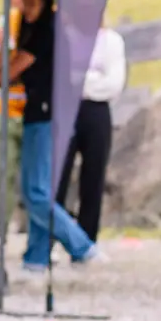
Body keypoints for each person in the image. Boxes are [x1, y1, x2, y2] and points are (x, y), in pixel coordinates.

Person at [0, 0, 102, 270]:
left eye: (32, 4)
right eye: (23, 3)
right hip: (36, 113)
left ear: (44, 4)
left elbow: (14, 70)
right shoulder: (35, 31)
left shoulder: (46, 32)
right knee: (36, 190)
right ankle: (37, 256)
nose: (26, 10)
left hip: (47, 116)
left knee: (36, 192)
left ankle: (81, 245)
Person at [56, 21, 126, 243]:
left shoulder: (111, 41)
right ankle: (49, 240)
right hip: (66, 108)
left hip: (96, 109)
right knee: (58, 176)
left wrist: (81, 83)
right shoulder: (65, 37)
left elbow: (113, 83)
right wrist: (91, 79)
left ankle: (87, 240)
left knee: (94, 176)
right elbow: (61, 77)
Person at [0, 0, 38, 233]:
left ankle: (37, 236)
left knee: (35, 181)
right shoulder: (7, 19)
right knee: (0, 173)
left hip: (35, 111)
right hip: (6, 109)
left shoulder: (43, 20)